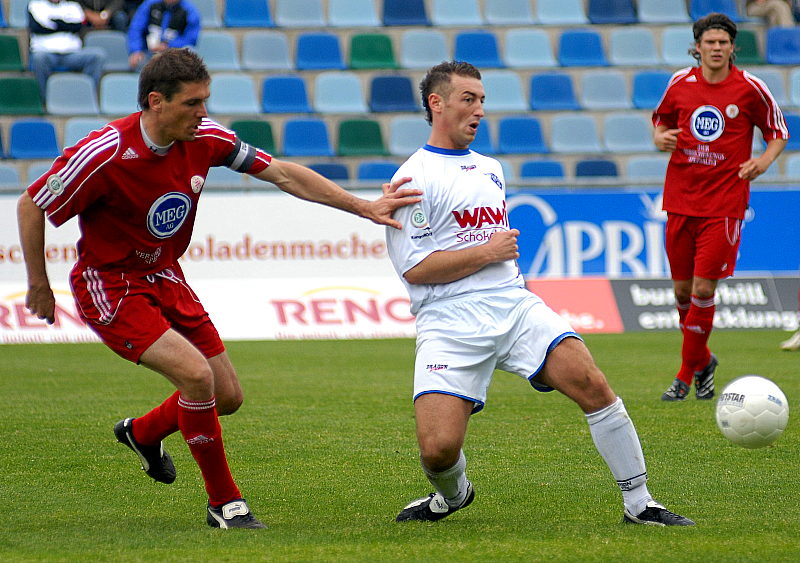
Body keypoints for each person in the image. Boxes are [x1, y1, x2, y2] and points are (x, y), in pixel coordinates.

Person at [16, 48, 421, 529]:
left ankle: (143, 433)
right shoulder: (105, 152)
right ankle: (225, 504)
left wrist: (363, 207)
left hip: (165, 275)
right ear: (156, 102)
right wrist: (39, 284)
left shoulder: (206, 138)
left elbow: (282, 173)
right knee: (196, 377)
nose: (203, 112)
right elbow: (31, 203)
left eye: (205, 100)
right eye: (192, 103)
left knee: (226, 395)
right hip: (110, 284)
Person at [384, 60, 694, 527]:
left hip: (512, 305)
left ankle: (640, 502)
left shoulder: (490, 169)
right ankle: (453, 494)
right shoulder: (413, 178)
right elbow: (416, 269)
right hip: (448, 320)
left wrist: (492, 258)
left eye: (482, 100)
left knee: (592, 383)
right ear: (437, 103)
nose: (479, 110)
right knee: (438, 450)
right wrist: (488, 251)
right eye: (469, 99)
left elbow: (486, 246)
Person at [653, 13, 788, 401]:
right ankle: (704, 360)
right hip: (680, 198)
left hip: (725, 203)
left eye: (723, 43)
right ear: (697, 47)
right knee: (682, 292)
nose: (716, 48)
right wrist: (660, 138)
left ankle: (684, 375)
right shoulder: (680, 83)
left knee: (702, 287)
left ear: (732, 47)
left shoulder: (750, 88)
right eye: (709, 42)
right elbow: (660, 122)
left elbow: (778, 132)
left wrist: (763, 162)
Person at [28, 0, 106, 99]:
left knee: (97, 55)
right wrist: (65, 24)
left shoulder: (73, 6)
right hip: (47, 53)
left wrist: (52, 23)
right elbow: (37, 28)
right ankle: (45, 99)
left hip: (72, 54)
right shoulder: (35, 5)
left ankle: (85, 97)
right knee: (39, 58)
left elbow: (77, 26)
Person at [127, 0, 199, 70]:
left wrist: (168, 46)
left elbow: (191, 39)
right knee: (137, 60)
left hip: (175, 57)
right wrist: (135, 50)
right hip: (149, 54)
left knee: (190, 52)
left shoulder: (190, 11)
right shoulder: (149, 5)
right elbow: (136, 29)